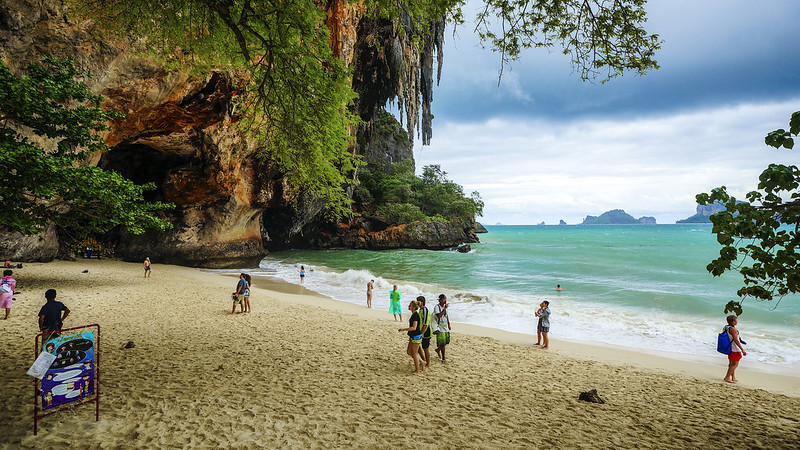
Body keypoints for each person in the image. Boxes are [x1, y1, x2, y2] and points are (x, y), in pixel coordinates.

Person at [398, 300, 425, 374]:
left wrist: (403, 329)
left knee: (414, 353)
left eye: (410, 305)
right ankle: (422, 362)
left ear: (413, 307)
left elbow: (414, 327)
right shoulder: (413, 314)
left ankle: (417, 370)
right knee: (409, 352)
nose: (408, 306)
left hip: (416, 336)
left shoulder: (415, 315)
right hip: (413, 335)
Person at [723, 315, 747, 384]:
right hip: (735, 349)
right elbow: (736, 340)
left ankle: (733, 377)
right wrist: (742, 349)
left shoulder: (726, 327)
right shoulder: (733, 329)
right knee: (735, 364)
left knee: (731, 364)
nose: (737, 321)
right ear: (733, 321)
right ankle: (727, 377)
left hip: (730, 348)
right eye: (736, 320)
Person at [433, 294, 451, 362]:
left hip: (445, 326)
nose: (445, 300)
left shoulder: (444, 307)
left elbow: (446, 316)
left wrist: (449, 324)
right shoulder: (437, 307)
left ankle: (437, 350)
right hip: (439, 327)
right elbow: (439, 316)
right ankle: (443, 358)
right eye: (443, 299)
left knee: (446, 342)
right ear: (440, 300)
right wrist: (444, 309)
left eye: (445, 299)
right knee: (442, 343)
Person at [416, 296, 432, 367]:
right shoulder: (420, 310)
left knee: (425, 348)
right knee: (418, 346)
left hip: (426, 332)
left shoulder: (425, 310)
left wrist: (421, 333)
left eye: (418, 301)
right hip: (420, 331)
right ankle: (424, 360)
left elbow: (425, 324)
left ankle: (428, 363)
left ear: (421, 302)